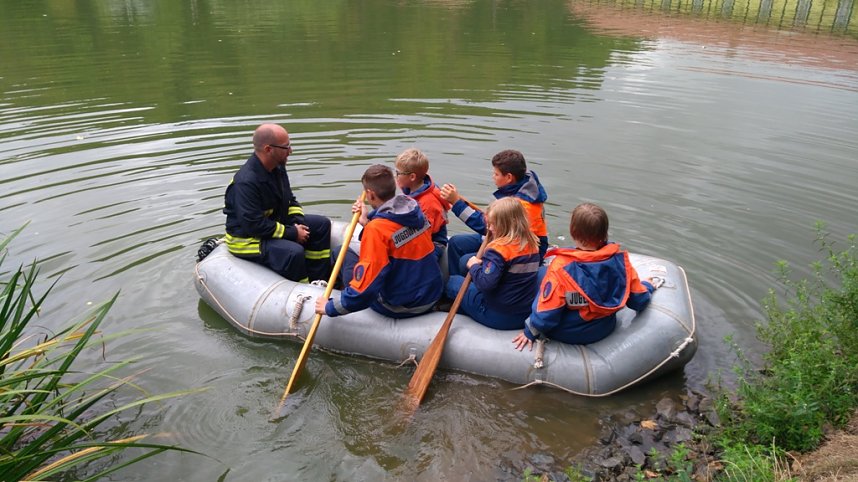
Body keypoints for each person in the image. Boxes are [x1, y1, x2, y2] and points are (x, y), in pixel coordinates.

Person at [512, 203, 659, 350]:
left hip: (569, 332)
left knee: (543, 279)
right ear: (605, 233)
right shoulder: (621, 263)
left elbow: (546, 314)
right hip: (604, 327)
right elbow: (639, 301)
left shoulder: (561, 268)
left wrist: (530, 332)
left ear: (572, 231)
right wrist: (648, 287)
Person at [315, 164, 443, 319]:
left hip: (403, 305)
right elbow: (394, 234)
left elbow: (366, 290)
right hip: (432, 294)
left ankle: (335, 291)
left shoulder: (376, 231)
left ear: (369, 194)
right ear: (394, 185)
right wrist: (367, 219)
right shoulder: (413, 209)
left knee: (339, 253)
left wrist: (330, 307)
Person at [223, 123, 332, 283]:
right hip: (246, 239)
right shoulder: (246, 182)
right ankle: (303, 290)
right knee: (293, 253)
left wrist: (297, 224)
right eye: (286, 147)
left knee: (321, 225)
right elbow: (253, 225)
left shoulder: (277, 168)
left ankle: (320, 280)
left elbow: (289, 200)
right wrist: (292, 233)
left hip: (273, 223)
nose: (291, 151)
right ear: (268, 149)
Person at [440, 149, 548, 278]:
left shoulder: (522, 205)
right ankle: (456, 282)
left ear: (509, 177)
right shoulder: (523, 185)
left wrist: (456, 203)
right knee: (456, 242)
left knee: (465, 261)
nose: (493, 177)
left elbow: (485, 225)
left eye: (496, 174)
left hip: (520, 250)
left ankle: (463, 286)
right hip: (504, 235)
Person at [445, 197, 540, 330]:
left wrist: (474, 266)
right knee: (466, 265)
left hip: (497, 315)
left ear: (508, 223)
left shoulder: (499, 249)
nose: (489, 228)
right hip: (523, 313)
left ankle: (457, 307)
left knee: (452, 282)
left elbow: (485, 284)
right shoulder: (532, 244)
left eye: (493, 224)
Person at [394, 148, 451, 260]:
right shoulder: (414, 187)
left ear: (412, 177)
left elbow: (422, 234)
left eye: (398, 173)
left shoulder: (428, 203)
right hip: (422, 235)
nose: (396, 176)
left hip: (433, 243)